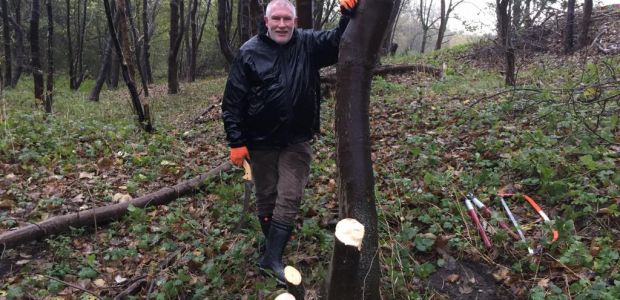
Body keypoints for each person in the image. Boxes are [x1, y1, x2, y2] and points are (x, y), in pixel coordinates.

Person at [221, 0, 359, 283]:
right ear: (266, 20)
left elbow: (337, 41)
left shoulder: (308, 43)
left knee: (290, 195)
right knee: (266, 196)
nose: (282, 24)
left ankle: (272, 257)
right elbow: (232, 102)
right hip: (260, 142)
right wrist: (236, 142)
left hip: (297, 139)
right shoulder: (248, 53)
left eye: (287, 19)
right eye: (276, 19)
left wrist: (347, 14)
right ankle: (271, 251)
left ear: (295, 22)